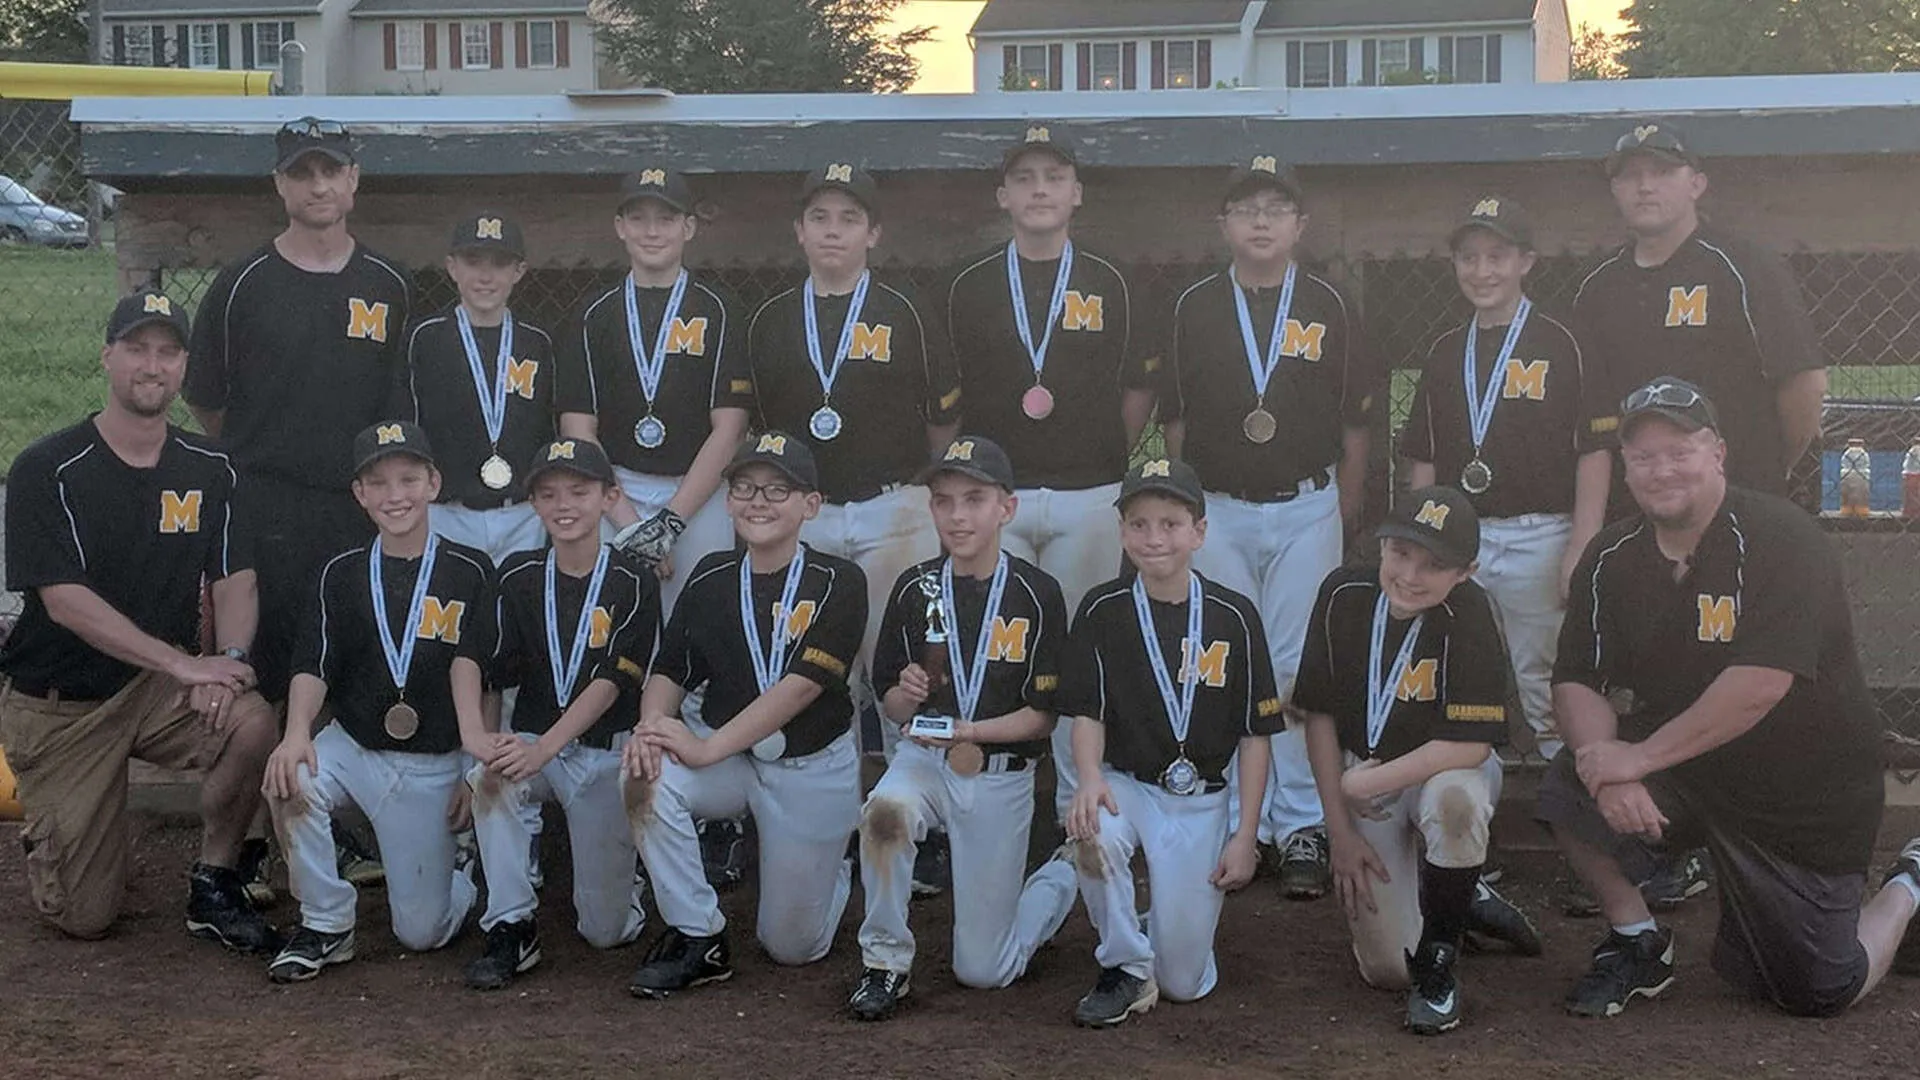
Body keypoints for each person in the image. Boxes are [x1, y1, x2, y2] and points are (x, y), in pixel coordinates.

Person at [1539, 377, 1920, 1018]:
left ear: (1717, 452)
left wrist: (1637, 759)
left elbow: (1759, 687)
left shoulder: (1782, 538)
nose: (1662, 470)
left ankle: (1909, 881)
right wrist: (1605, 764)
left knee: (1817, 988)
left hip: (1802, 791)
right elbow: (1577, 677)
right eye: (1644, 456)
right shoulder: (1609, 557)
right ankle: (1637, 939)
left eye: (1679, 451)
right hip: (1687, 766)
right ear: (1625, 467)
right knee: (1570, 784)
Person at [0, 290, 276, 951]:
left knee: (252, 721)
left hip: (154, 689)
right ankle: (70, 824)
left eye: (168, 352)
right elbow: (64, 601)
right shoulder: (47, 468)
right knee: (84, 917)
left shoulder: (212, 466)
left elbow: (235, 577)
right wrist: (184, 663)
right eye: (136, 349)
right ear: (107, 358)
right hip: (63, 704)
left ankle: (215, 879)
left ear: (184, 366)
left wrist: (229, 663)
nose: (152, 365)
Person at [1162, 154, 1380, 902]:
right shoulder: (1193, 305)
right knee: (1223, 657)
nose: (1261, 221)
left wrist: (1344, 506)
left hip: (1305, 504)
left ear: (1300, 224)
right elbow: (1175, 419)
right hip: (1216, 507)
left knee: (1294, 663)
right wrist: (1187, 507)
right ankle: (1235, 820)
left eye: (1276, 209)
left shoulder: (1330, 301)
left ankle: (1301, 823)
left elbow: (1357, 421)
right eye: (1246, 209)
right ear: (1222, 223)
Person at [943, 124, 1154, 826]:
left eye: (1054, 177)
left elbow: (1137, 389)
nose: (1040, 190)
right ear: (1002, 195)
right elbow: (949, 398)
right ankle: (984, 805)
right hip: (994, 497)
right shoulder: (968, 284)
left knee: (1077, 652)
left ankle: (1074, 809)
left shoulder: (1111, 280)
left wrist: (1102, 455)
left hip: (1088, 492)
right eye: (1025, 178)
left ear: (1077, 193)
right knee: (988, 645)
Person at [620, 434, 866, 998]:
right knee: (643, 776)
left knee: (792, 949)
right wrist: (651, 728)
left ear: (811, 504)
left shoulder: (840, 580)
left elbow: (802, 688)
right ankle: (698, 933)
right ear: (728, 501)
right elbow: (669, 670)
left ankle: (834, 865)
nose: (759, 501)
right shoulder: (711, 575)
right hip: (732, 761)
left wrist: (706, 747)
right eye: (746, 488)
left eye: (778, 489)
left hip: (807, 765)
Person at [1294, 486, 1543, 1036]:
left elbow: (1472, 745)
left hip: (1442, 769)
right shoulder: (1343, 594)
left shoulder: (1470, 609)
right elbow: (1319, 716)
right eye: (1400, 553)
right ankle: (1462, 892)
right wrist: (1340, 831)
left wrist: (1362, 785)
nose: (1410, 575)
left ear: (1466, 571)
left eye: (1434, 565)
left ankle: (1440, 958)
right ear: (1381, 546)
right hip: (1364, 776)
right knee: (1387, 971)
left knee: (1455, 804)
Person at [847, 436, 1078, 1021]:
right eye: (944, 501)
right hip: (924, 760)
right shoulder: (915, 586)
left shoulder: (1038, 593)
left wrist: (968, 730)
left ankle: (1060, 877)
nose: (957, 515)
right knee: (885, 813)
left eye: (974, 500)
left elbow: (1043, 715)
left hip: (1000, 770)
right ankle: (884, 962)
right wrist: (906, 694)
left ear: (1006, 508)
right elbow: (891, 704)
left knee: (985, 972)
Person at [185, 117, 412, 707]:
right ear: (279, 184)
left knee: (356, 660)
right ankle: (267, 764)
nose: (318, 186)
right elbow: (205, 396)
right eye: (302, 173)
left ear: (353, 179)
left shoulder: (389, 284)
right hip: (265, 506)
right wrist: (269, 449)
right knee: (267, 672)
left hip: (358, 505)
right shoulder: (241, 285)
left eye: (330, 170)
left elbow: (400, 401)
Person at [260, 422, 494, 983]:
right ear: (359, 494)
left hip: (434, 761)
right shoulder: (339, 573)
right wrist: (296, 733)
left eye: (409, 479)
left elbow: (487, 682)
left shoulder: (471, 570)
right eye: (379, 483)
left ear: (434, 483)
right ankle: (325, 922)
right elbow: (313, 664)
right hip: (357, 746)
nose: (396, 496)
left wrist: (474, 770)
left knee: (423, 934)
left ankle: (462, 871)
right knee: (292, 778)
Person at [1059, 457, 1278, 1027]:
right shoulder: (1102, 609)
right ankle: (1125, 966)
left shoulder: (1234, 616)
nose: (1154, 538)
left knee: (1183, 983)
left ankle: (1155, 932)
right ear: (1122, 532)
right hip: (1129, 784)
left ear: (1199, 532)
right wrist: (1089, 778)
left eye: (1170, 524)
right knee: (1094, 830)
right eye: (1139, 524)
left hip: (1201, 799)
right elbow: (1087, 714)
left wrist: (1246, 835)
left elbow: (1256, 736)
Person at [1402, 196, 1613, 760]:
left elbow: (1595, 450)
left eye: (1497, 256)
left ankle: (1568, 783)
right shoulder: (1446, 350)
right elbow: (1423, 457)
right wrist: (1424, 542)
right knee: (1460, 668)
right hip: (1462, 539)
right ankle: (1472, 786)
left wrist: (1581, 543)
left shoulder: (1563, 340)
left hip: (1539, 535)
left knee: (1543, 675)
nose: (1482, 271)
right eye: (1469, 258)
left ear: (1527, 261)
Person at [463, 438, 658, 991]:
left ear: (609, 498)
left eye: (579, 491)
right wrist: (478, 740)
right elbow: (476, 661)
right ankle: (510, 924)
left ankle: (629, 885)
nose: (563, 505)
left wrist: (543, 748)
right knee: (493, 778)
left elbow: (613, 682)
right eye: (548, 494)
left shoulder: (634, 578)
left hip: (602, 751)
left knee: (606, 932)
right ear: (533, 504)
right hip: (532, 742)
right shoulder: (517, 573)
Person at [1573, 122, 1826, 500]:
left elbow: (1805, 383)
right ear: (1615, 189)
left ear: (1696, 184)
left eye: (1662, 172)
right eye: (1631, 175)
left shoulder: (1746, 267)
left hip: (1738, 495)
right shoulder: (1595, 285)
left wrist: (1771, 465)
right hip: (1633, 500)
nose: (1645, 186)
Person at [556, 167, 750, 609]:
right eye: (638, 218)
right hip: (614, 488)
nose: (652, 231)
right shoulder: (593, 313)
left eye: (666, 219)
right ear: (619, 227)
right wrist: (627, 521)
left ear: (689, 227)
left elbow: (731, 428)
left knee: (698, 620)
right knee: (611, 623)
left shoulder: (720, 309)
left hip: (698, 492)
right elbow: (578, 427)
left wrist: (670, 522)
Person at [398, 211, 556, 562]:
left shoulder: (538, 341)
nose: (486, 276)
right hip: (446, 510)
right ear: (452, 267)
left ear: (519, 271)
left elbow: (550, 428)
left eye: (499, 264)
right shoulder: (424, 337)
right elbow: (407, 426)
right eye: (473, 262)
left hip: (523, 513)